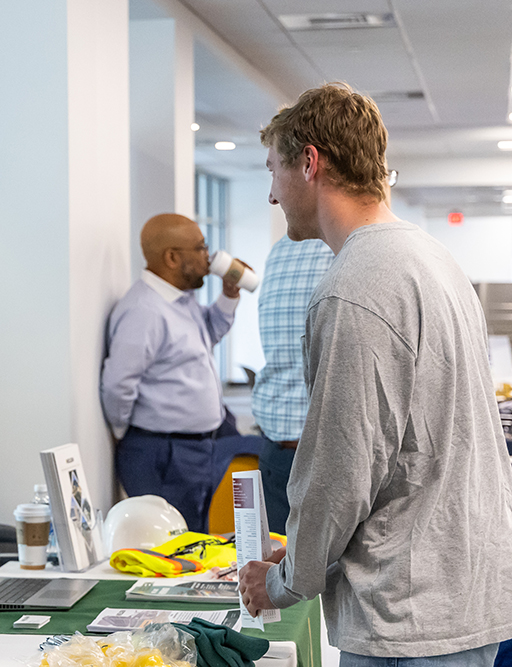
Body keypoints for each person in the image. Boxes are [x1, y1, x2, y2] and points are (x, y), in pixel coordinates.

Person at [238, 83, 512, 665]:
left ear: (308, 162)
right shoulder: (431, 258)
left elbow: (341, 469)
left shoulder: (356, 285)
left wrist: (284, 580)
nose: (269, 195)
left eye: (272, 170)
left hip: (407, 614)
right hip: (461, 591)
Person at [100, 213, 262, 533]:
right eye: (201, 248)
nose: (209, 257)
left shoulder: (180, 300)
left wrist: (230, 295)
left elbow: (209, 333)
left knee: (196, 538)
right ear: (172, 257)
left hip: (196, 447)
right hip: (164, 452)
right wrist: (129, 433)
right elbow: (118, 386)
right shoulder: (144, 311)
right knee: (175, 546)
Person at [250, 235, 333, 533]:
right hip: (322, 458)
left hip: (276, 449)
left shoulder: (280, 250)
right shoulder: (347, 249)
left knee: (279, 568)